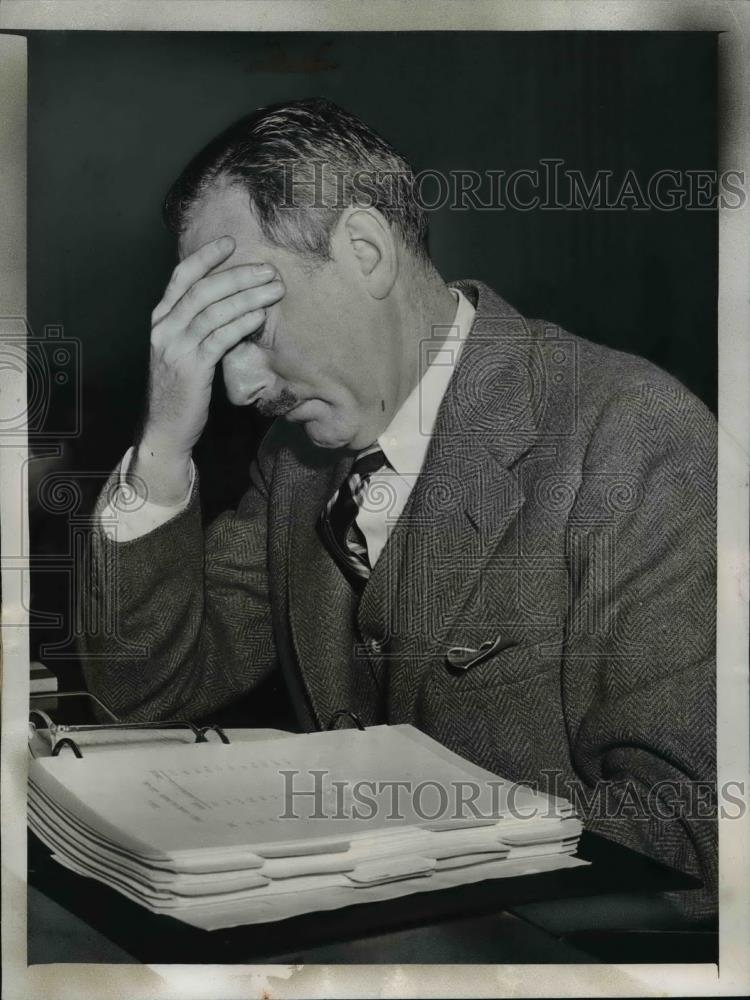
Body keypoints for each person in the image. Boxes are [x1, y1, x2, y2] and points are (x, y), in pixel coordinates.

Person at [79, 98, 716, 920]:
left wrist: (376, 869)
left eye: (248, 324)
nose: (237, 388)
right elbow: (149, 700)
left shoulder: (640, 439)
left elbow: (691, 845)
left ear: (367, 251)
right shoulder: (295, 462)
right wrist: (165, 446)